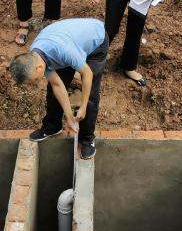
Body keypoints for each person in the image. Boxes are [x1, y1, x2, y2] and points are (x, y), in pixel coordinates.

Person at [9, 18, 108, 159]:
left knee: (90, 94)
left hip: (97, 41)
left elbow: (87, 73)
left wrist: (83, 106)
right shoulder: (35, 54)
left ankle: (87, 140)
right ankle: (53, 126)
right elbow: (57, 85)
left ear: (39, 68)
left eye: (34, 81)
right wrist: (69, 118)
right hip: (69, 43)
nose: (35, 84)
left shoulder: (64, 51)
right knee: (53, 88)